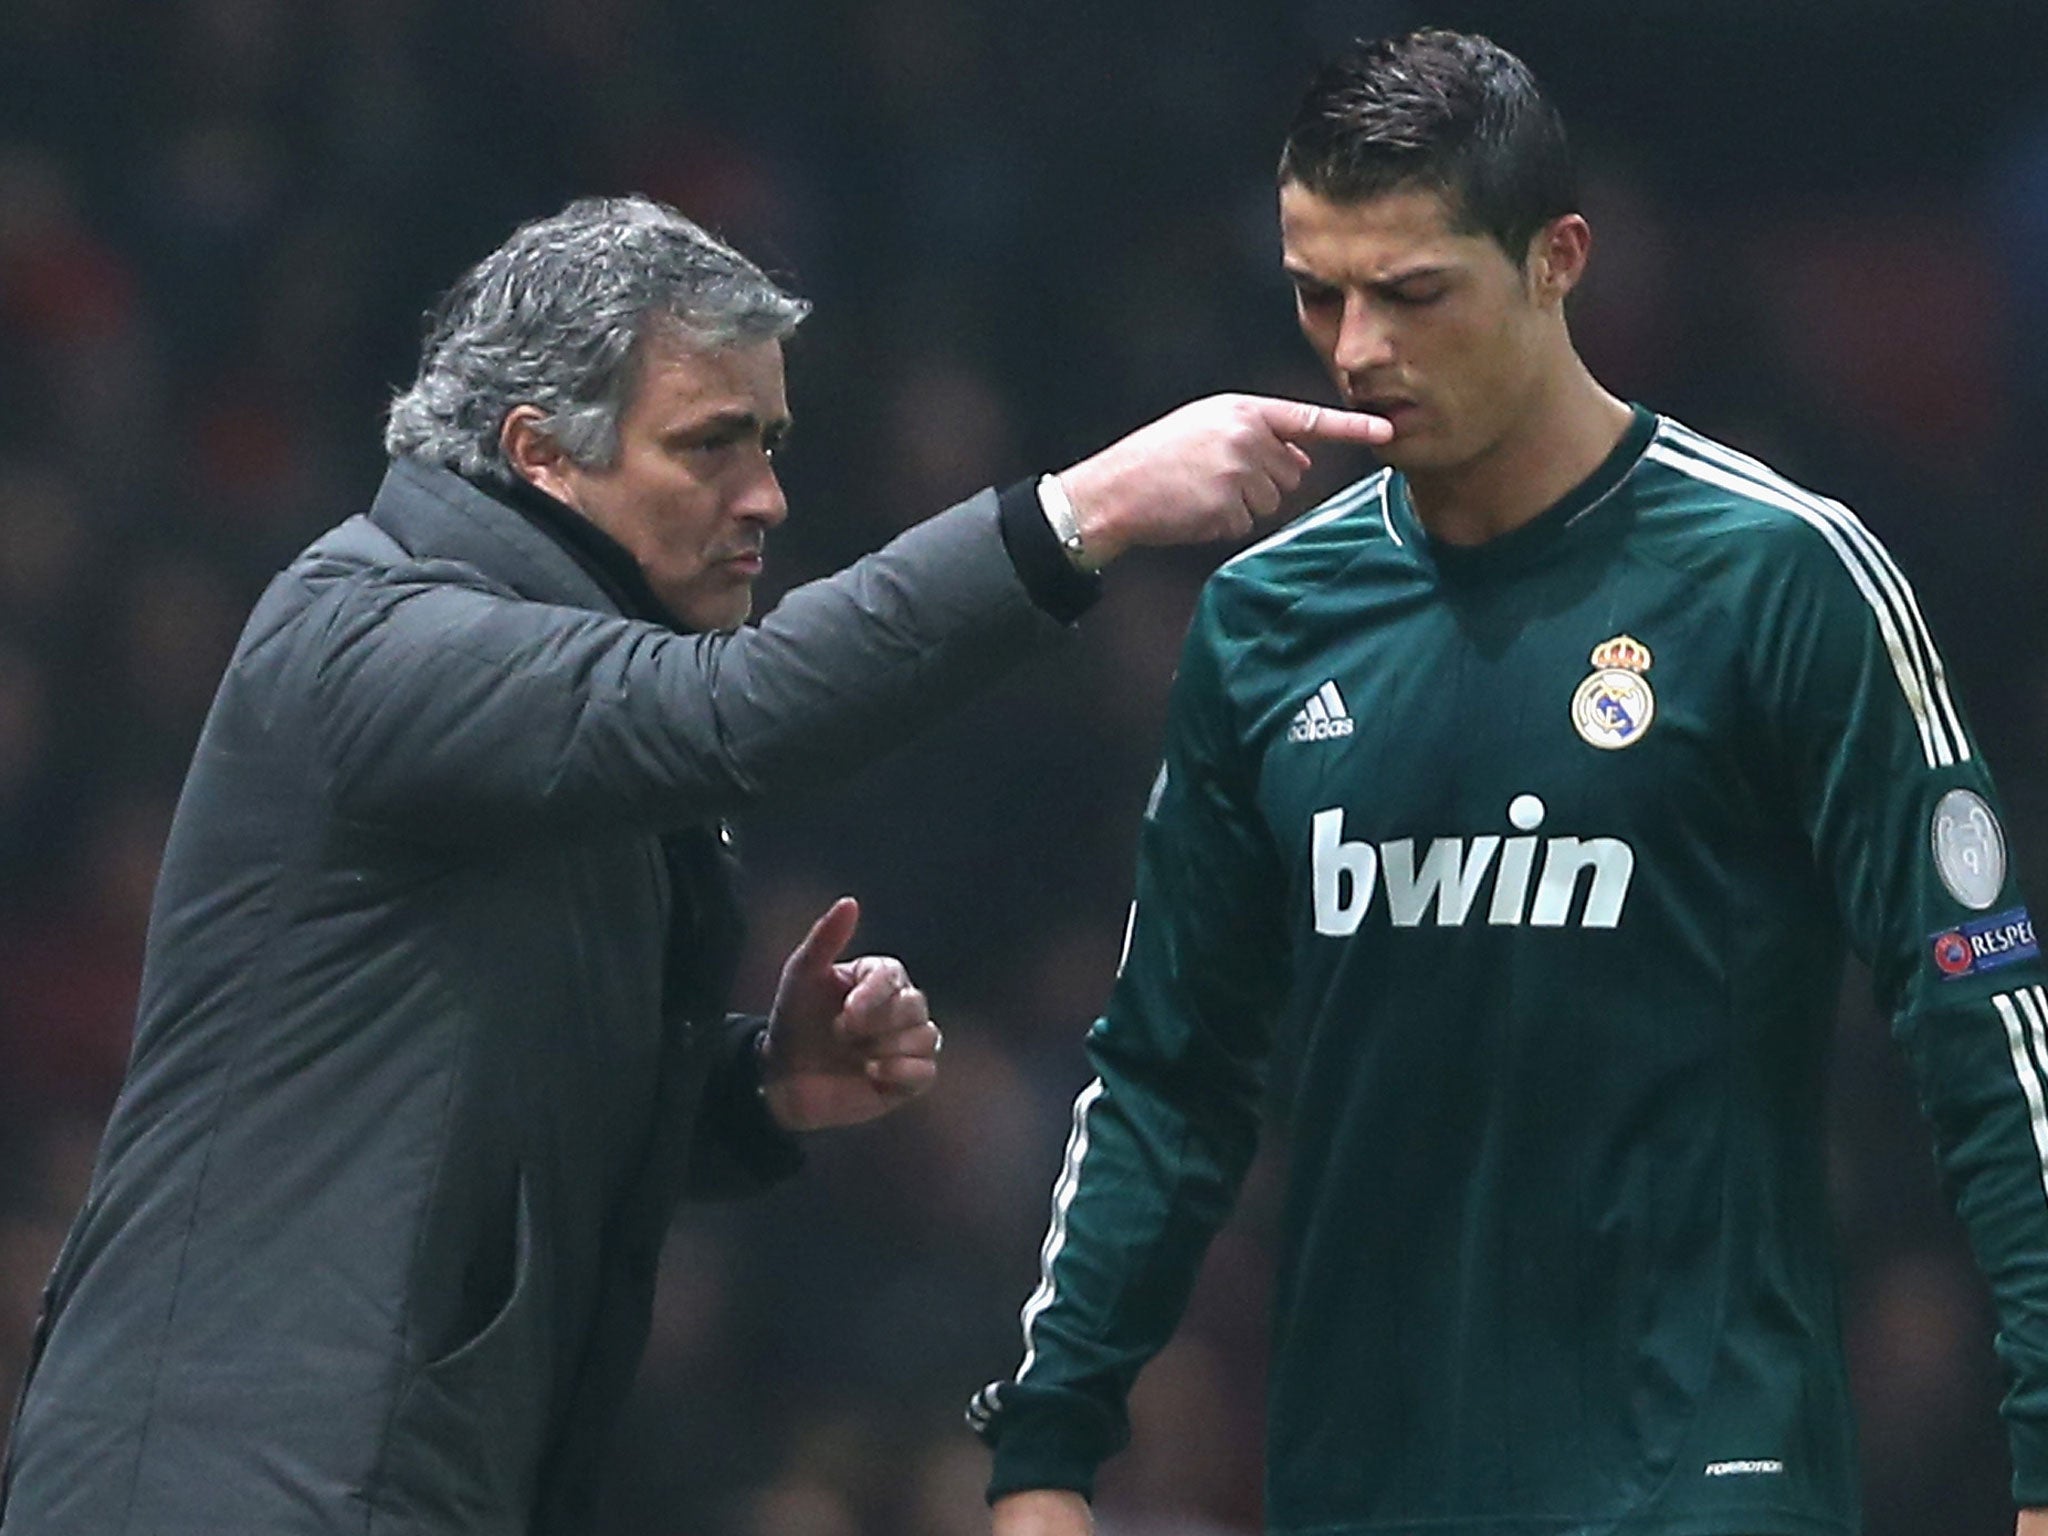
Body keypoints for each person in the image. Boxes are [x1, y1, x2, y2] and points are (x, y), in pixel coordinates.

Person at [0, 195, 1390, 1536]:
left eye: (771, 442)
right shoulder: (371, 633)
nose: (769, 495)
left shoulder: (533, 712)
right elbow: (739, 708)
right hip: (228, 1481)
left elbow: (484, 1122)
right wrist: (1083, 511)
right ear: (540, 450)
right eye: (714, 445)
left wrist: (751, 1090)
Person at [972, 29, 2048, 1536]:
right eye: (1317, 291)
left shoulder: (1780, 577)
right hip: (1363, 1484)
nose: (1353, 349)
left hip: (1704, 1482)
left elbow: (1982, 1016)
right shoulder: (1269, 622)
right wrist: (1045, 1449)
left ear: (1559, 259)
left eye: (1412, 293)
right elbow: (1168, 1076)